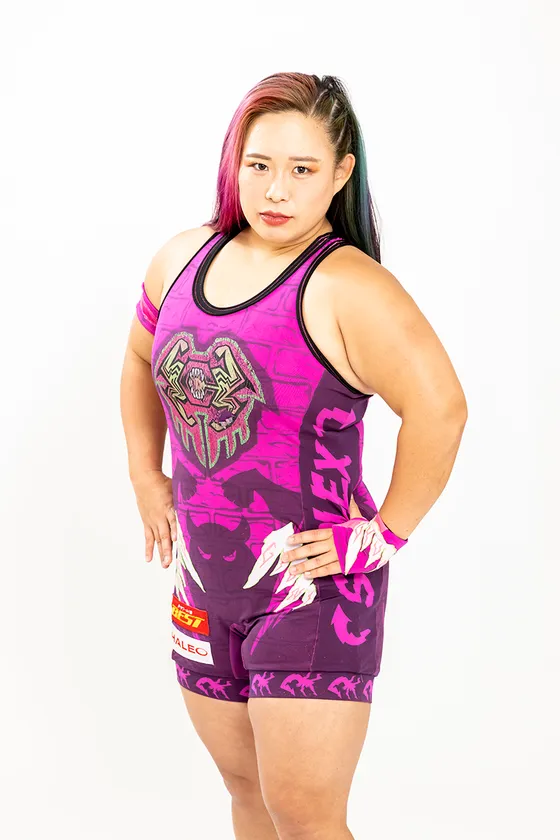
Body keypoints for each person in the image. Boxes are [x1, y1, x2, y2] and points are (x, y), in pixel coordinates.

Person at [120, 72, 468, 840]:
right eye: (259, 165)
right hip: (203, 582)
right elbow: (141, 358)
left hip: (311, 587)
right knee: (247, 794)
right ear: (234, 162)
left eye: (302, 169)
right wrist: (146, 474)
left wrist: (384, 533)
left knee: (306, 817)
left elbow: (441, 409)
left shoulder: (349, 285)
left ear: (340, 174)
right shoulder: (181, 258)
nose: (276, 190)